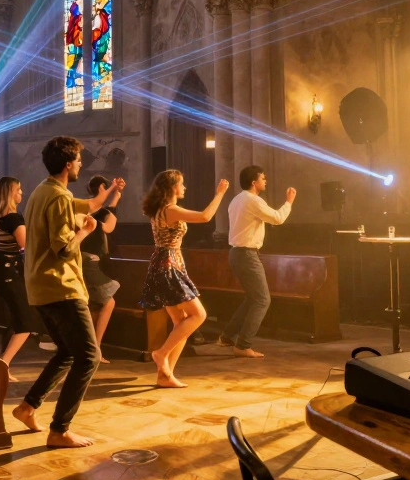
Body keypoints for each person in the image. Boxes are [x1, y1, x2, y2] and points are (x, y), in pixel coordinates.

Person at [10, 137, 118, 448]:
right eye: (80, 160)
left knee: (69, 353)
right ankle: (59, 429)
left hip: (42, 285)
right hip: (61, 286)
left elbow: (85, 208)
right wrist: (83, 232)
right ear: (68, 164)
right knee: (89, 357)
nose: (82, 164)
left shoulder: (43, 191)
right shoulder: (58, 197)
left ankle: (27, 407)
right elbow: (64, 249)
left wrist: (104, 198)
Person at [141, 170, 229, 388]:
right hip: (168, 265)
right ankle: (161, 353)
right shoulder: (170, 209)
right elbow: (205, 217)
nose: (184, 187)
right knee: (198, 314)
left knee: (181, 323)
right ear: (172, 187)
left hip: (165, 263)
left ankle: (165, 375)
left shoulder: (161, 209)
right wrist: (219, 194)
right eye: (181, 184)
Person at [221, 166, 294, 358]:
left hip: (236, 253)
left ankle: (226, 336)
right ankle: (243, 345)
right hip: (246, 254)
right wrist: (289, 202)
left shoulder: (236, 200)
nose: (265, 180)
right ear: (254, 182)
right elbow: (277, 218)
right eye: (263, 178)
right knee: (262, 300)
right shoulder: (253, 200)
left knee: (253, 298)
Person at [0, 176, 41, 381]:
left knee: (16, 320)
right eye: (18, 189)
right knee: (25, 323)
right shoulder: (13, 218)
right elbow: (26, 246)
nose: (21, 193)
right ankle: (2, 364)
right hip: (9, 273)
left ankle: (2, 365)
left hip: (0, 269)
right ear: (9, 193)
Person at [80, 176, 126, 364]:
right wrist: (115, 196)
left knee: (95, 306)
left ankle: (90, 349)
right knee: (108, 302)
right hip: (89, 262)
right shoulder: (91, 214)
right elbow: (109, 226)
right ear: (101, 188)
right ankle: (95, 349)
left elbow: (106, 214)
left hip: (84, 261)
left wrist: (116, 196)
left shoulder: (87, 209)